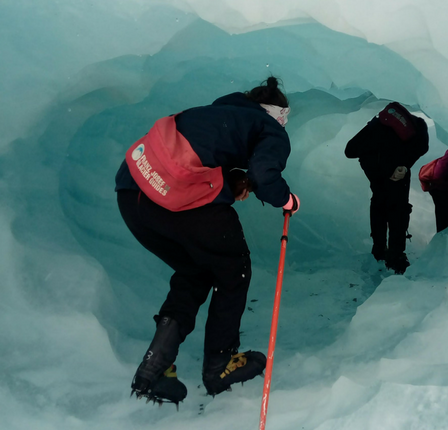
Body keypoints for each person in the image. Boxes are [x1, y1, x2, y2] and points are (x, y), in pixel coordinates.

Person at [114, 77, 300, 406]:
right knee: (233, 270)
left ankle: (155, 366)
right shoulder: (268, 128)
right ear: (278, 115)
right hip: (178, 197)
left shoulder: (217, 111)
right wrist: (287, 200)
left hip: (132, 191)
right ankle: (220, 364)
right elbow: (264, 174)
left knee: (194, 270)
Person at [345, 102, 429, 274]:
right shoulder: (417, 126)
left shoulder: (376, 125)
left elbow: (350, 150)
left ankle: (379, 250)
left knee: (379, 204)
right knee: (398, 209)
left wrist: (373, 161)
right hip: (397, 171)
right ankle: (396, 256)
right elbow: (422, 146)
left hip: (376, 170)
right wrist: (404, 165)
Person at [419, 148, 448, 232]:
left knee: (445, 217)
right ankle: (445, 240)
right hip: (441, 187)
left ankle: (443, 240)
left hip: (437, 186)